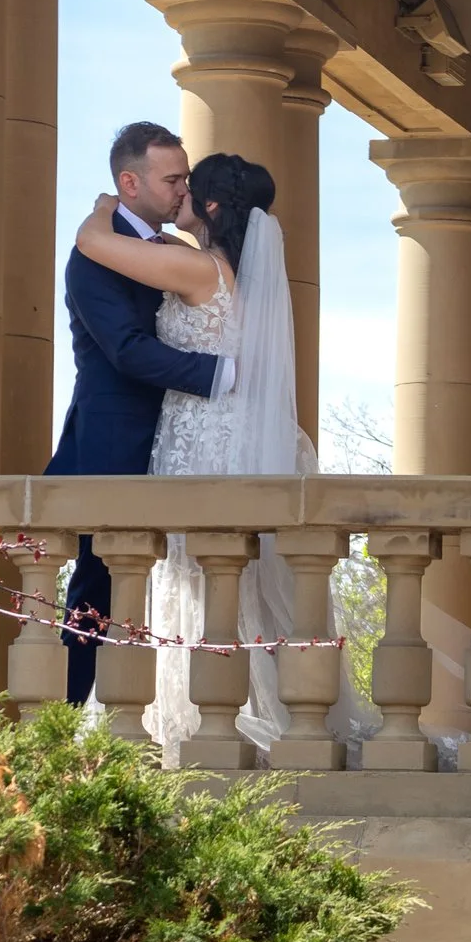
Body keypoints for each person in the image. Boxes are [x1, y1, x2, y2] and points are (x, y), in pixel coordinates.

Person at [70, 151, 313, 759]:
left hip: (202, 435)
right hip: (226, 429)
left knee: (191, 569)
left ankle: (187, 716)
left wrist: (104, 208)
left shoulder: (199, 269)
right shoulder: (245, 276)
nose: (176, 194)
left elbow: (94, 243)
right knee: (224, 575)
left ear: (207, 206)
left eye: (186, 186)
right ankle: (230, 705)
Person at [46, 123, 234, 704]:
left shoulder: (173, 252)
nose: (183, 190)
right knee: (99, 584)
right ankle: (74, 720)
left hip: (186, 439)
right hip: (115, 441)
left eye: (184, 178)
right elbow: (126, 350)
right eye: (172, 178)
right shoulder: (92, 259)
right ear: (129, 183)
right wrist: (221, 377)